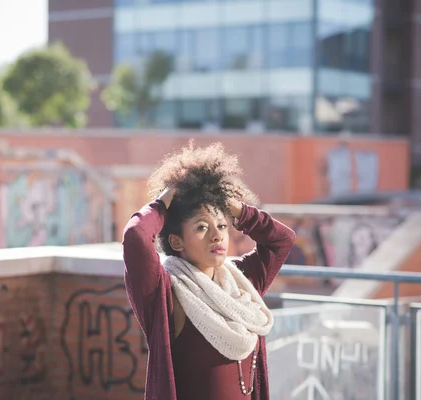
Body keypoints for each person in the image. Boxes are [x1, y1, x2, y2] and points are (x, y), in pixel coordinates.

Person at [122, 142, 296, 400]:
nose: (217, 236)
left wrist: (240, 211)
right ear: (177, 242)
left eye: (223, 225)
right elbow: (136, 236)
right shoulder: (165, 291)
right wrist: (161, 205)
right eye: (202, 228)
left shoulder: (242, 283)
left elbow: (282, 240)